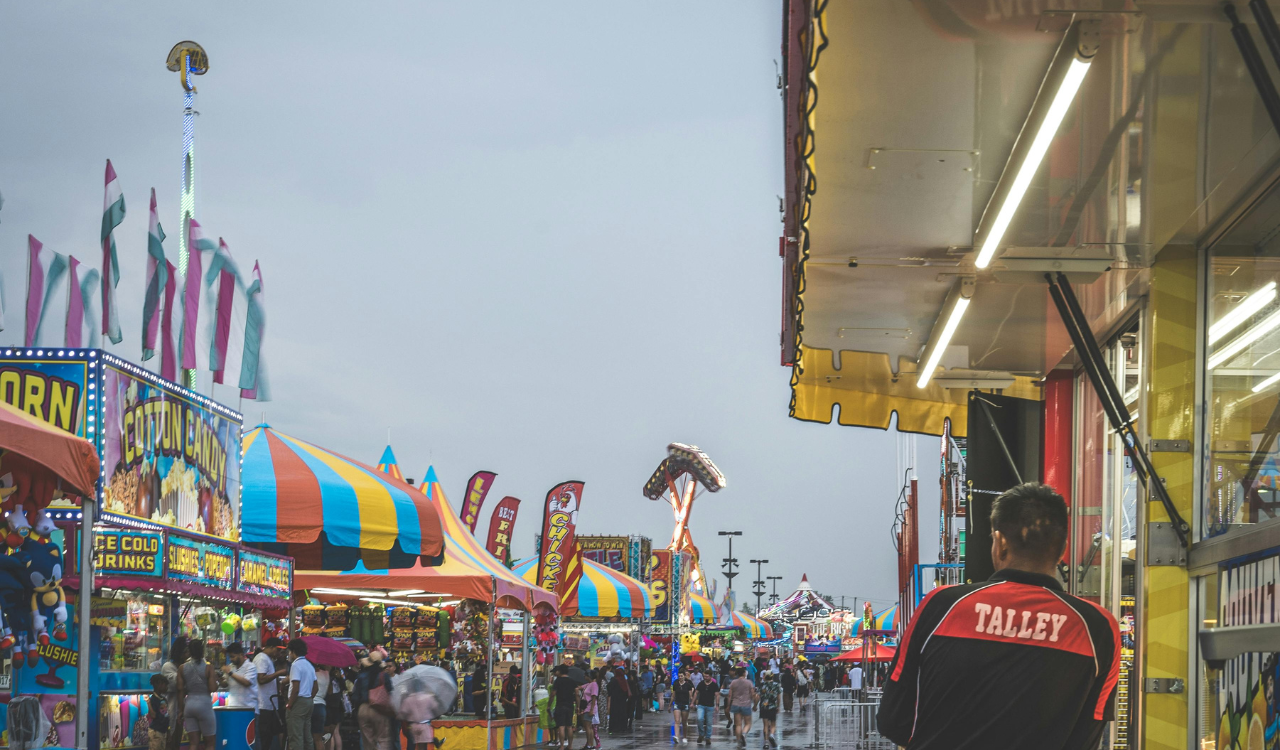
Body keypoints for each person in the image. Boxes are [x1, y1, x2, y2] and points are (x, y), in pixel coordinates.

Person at [878, 483, 1121, 750]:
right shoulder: (1098, 628)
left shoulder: (943, 606)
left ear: (1001, 543)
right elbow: (1087, 737)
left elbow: (894, 721)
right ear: (1062, 549)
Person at [177, 640, 218, 750]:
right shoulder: (208, 667)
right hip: (204, 705)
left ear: (189, 651)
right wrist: (217, 682)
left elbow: (180, 690)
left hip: (189, 706)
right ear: (202, 651)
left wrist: (181, 710)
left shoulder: (182, 668)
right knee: (209, 744)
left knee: (193, 743)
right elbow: (213, 688)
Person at [353, 651, 393, 750]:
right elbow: (390, 692)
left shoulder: (361, 676)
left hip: (363, 708)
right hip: (380, 709)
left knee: (367, 740)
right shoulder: (384, 676)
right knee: (383, 738)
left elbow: (355, 696)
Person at [255, 638, 290, 750]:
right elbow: (261, 679)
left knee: (268, 736)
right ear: (271, 647)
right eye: (277, 650)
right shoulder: (261, 659)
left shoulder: (267, 659)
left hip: (269, 704)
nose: (279, 653)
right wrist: (279, 673)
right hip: (263, 704)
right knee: (264, 736)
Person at [286, 639, 317, 750]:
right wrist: (308, 697)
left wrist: (289, 704)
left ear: (294, 651)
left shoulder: (296, 665)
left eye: (290, 651)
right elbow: (316, 687)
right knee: (307, 735)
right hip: (308, 701)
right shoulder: (309, 665)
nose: (289, 654)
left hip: (298, 702)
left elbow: (295, 689)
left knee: (296, 735)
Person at [161, 637, 188, 750]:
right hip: (168, 713)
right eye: (187, 652)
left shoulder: (184, 668)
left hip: (179, 713)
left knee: (176, 743)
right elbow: (179, 685)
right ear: (181, 654)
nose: (189, 655)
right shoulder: (168, 667)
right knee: (169, 743)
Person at [223, 643, 260, 711]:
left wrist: (230, 673)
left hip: (248, 708)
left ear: (241, 654)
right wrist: (219, 678)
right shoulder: (231, 667)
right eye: (230, 657)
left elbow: (246, 683)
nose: (231, 659)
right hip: (232, 707)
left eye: (233, 656)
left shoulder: (250, 666)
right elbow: (225, 684)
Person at [551, 664, 580, 750]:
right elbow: (577, 694)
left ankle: (562, 746)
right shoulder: (572, 681)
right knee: (569, 726)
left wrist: (549, 705)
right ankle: (570, 746)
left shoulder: (558, 681)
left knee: (561, 726)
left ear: (560, 671)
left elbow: (553, 694)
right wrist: (578, 706)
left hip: (560, 705)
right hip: (570, 705)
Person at [727, 667, 756, 749]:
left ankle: (739, 741)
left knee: (738, 724)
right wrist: (754, 704)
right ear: (744, 673)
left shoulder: (733, 682)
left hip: (735, 704)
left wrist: (728, 705)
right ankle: (744, 734)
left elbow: (730, 695)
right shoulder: (749, 682)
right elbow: (752, 694)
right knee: (748, 723)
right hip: (746, 704)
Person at [693, 665, 719, 745]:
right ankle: (701, 734)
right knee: (700, 719)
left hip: (710, 706)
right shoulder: (701, 684)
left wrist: (717, 705)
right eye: (704, 676)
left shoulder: (714, 685)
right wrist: (692, 702)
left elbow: (717, 695)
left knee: (709, 722)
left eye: (707, 676)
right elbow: (696, 693)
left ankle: (708, 737)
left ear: (711, 677)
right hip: (701, 705)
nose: (705, 678)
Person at [147, 674, 172, 750]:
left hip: (163, 731)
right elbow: (153, 715)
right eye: (165, 685)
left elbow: (166, 716)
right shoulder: (153, 699)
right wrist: (148, 703)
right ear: (159, 684)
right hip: (156, 732)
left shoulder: (163, 699)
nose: (167, 687)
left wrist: (168, 731)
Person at [579, 669, 601, 750]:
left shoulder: (594, 684)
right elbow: (580, 688)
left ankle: (590, 744)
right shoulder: (589, 684)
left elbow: (594, 697)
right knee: (588, 726)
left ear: (589, 676)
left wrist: (592, 709)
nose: (584, 677)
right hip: (587, 708)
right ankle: (589, 744)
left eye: (585, 675)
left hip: (589, 708)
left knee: (588, 727)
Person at [311, 662, 331, 750]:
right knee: (318, 739)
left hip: (310, 704)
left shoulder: (312, 672)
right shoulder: (327, 674)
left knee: (306, 737)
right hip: (321, 706)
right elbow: (330, 691)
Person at [757, 672, 779, 749]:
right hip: (773, 706)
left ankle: (766, 742)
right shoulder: (776, 685)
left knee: (765, 725)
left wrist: (755, 705)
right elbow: (778, 697)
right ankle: (772, 735)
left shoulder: (761, 685)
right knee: (773, 724)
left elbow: (758, 696)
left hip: (763, 706)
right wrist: (778, 706)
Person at [671, 668, 693, 745]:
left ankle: (684, 737)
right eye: (679, 676)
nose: (680, 677)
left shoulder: (688, 685)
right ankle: (676, 736)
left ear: (684, 676)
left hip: (685, 704)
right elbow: (673, 695)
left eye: (681, 676)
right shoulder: (675, 684)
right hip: (677, 703)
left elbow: (690, 696)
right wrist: (670, 704)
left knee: (684, 722)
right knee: (677, 721)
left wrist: (692, 702)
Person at [606, 668, 630, 736]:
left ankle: (614, 727)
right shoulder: (624, 680)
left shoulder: (614, 680)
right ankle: (622, 727)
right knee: (622, 712)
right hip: (623, 700)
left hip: (615, 699)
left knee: (614, 713)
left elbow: (609, 687)